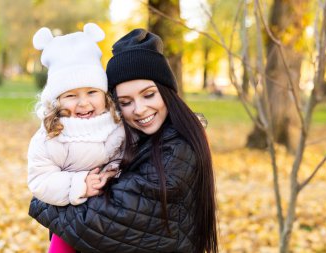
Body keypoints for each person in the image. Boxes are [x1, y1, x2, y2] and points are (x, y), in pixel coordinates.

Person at [29, 28, 218, 253]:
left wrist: (43, 202)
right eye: (126, 102)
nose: (139, 109)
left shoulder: (178, 149)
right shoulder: (129, 135)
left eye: (149, 95)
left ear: (166, 92)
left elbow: (109, 219)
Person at [27, 23, 125, 253]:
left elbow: (131, 154)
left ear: (104, 94)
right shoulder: (52, 136)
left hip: (116, 219)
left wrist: (113, 171)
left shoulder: (118, 125)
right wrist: (79, 183)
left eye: (92, 92)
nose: (83, 103)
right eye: (71, 95)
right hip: (72, 223)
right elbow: (40, 180)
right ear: (56, 100)